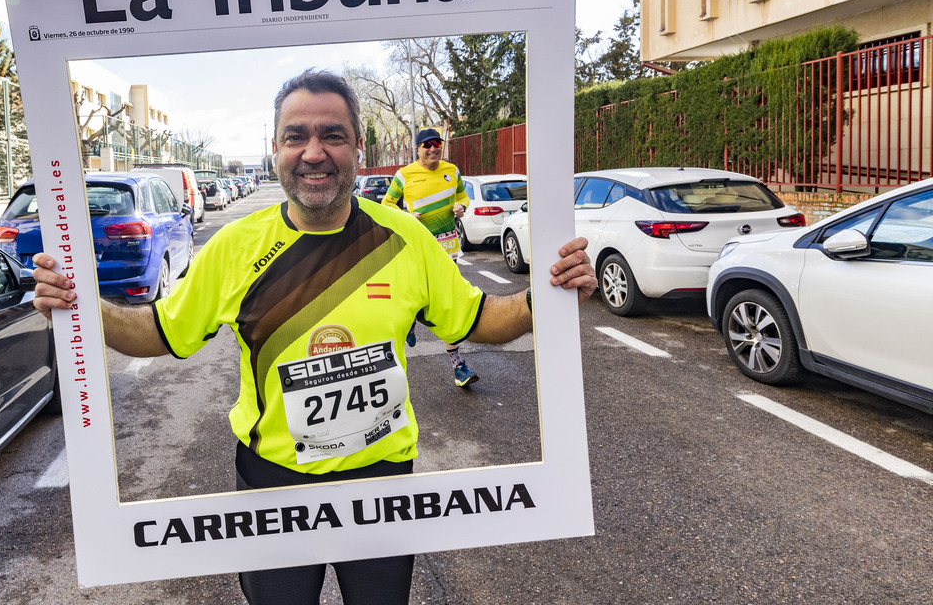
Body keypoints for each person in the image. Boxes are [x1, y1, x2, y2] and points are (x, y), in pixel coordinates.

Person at [31, 70, 597, 605]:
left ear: (357, 149)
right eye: (295, 136)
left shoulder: (405, 238)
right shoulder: (233, 248)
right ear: (274, 149)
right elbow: (160, 331)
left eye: (333, 135)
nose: (314, 152)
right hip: (272, 484)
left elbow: (474, 319)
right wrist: (87, 308)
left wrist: (538, 300)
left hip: (382, 484)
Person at [380, 127, 480, 387]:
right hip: (418, 246)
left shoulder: (452, 170)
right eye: (427, 145)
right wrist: (405, 217)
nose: (433, 148)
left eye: (437, 143)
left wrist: (462, 207)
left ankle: (459, 367)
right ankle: (412, 319)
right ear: (418, 149)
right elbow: (387, 204)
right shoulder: (404, 175)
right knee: (415, 296)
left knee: (448, 304)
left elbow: (462, 196)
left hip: (448, 248)